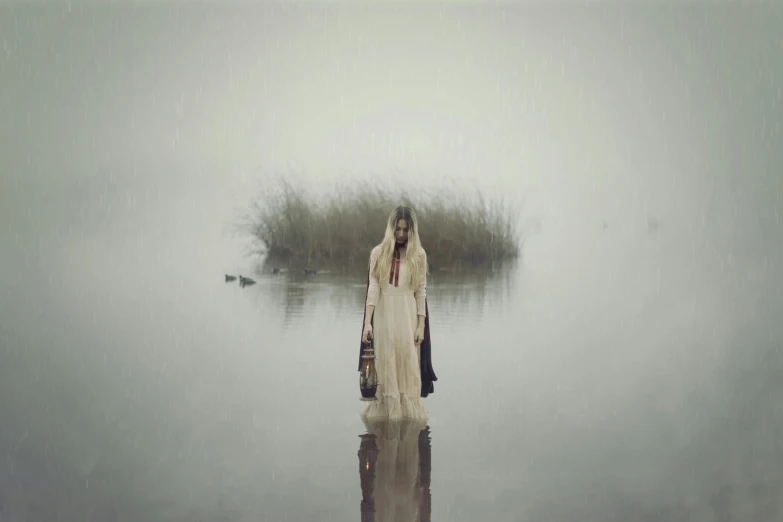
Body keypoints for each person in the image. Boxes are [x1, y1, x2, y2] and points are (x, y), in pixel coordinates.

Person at [359, 206, 436, 421]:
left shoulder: (418, 255)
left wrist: (421, 325)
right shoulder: (378, 253)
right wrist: (368, 323)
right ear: (390, 228)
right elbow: (373, 289)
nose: (401, 234)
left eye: (405, 230)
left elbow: (421, 291)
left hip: (408, 315)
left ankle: (406, 425)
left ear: (412, 231)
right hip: (384, 314)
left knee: (407, 362)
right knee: (387, 362)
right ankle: (387, 428)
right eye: (397, 229)